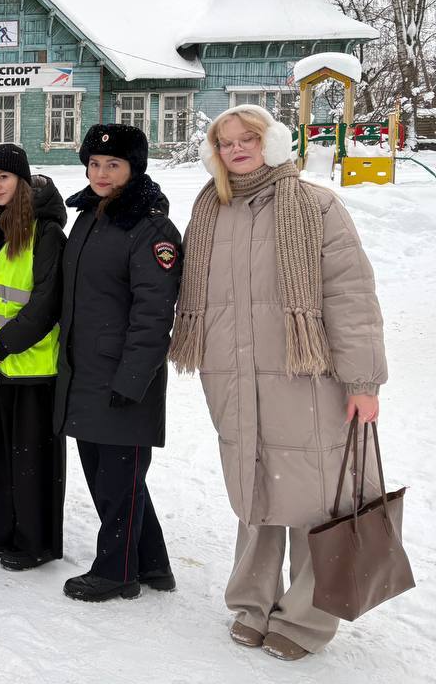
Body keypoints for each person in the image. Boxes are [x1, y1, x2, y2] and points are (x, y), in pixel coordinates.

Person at [168, 105, 387, 661]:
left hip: (305, 376)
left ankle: (307, 618)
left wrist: (363, 381)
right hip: (232, 377)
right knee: (253, 490)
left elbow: (351, 296)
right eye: (226, 142)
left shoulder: (315, 205)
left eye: (248, 138)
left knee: (315, 496)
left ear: (272, 141)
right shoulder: (209, 210)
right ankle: (252, 603)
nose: (237, 149)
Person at [55, 124, 180, 602]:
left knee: (117, 483)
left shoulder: (150, 228)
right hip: (86, 372)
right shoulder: (90, 216)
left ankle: (116, 572)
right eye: (94, 164)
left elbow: (154, 314)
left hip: (121, 378)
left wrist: (132, 380)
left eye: (114, 164)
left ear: (134, 169)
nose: (102, 173)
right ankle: (152, 563)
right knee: (115, 479)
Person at [0, 144, 67, 571]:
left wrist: (2, 345)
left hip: (35, 367)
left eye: (3, 178)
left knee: (33, 464)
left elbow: (46, 303)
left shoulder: (47, 232)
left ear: (22, 181)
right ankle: (1, 531)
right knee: (0, 459)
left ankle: (34, 542)